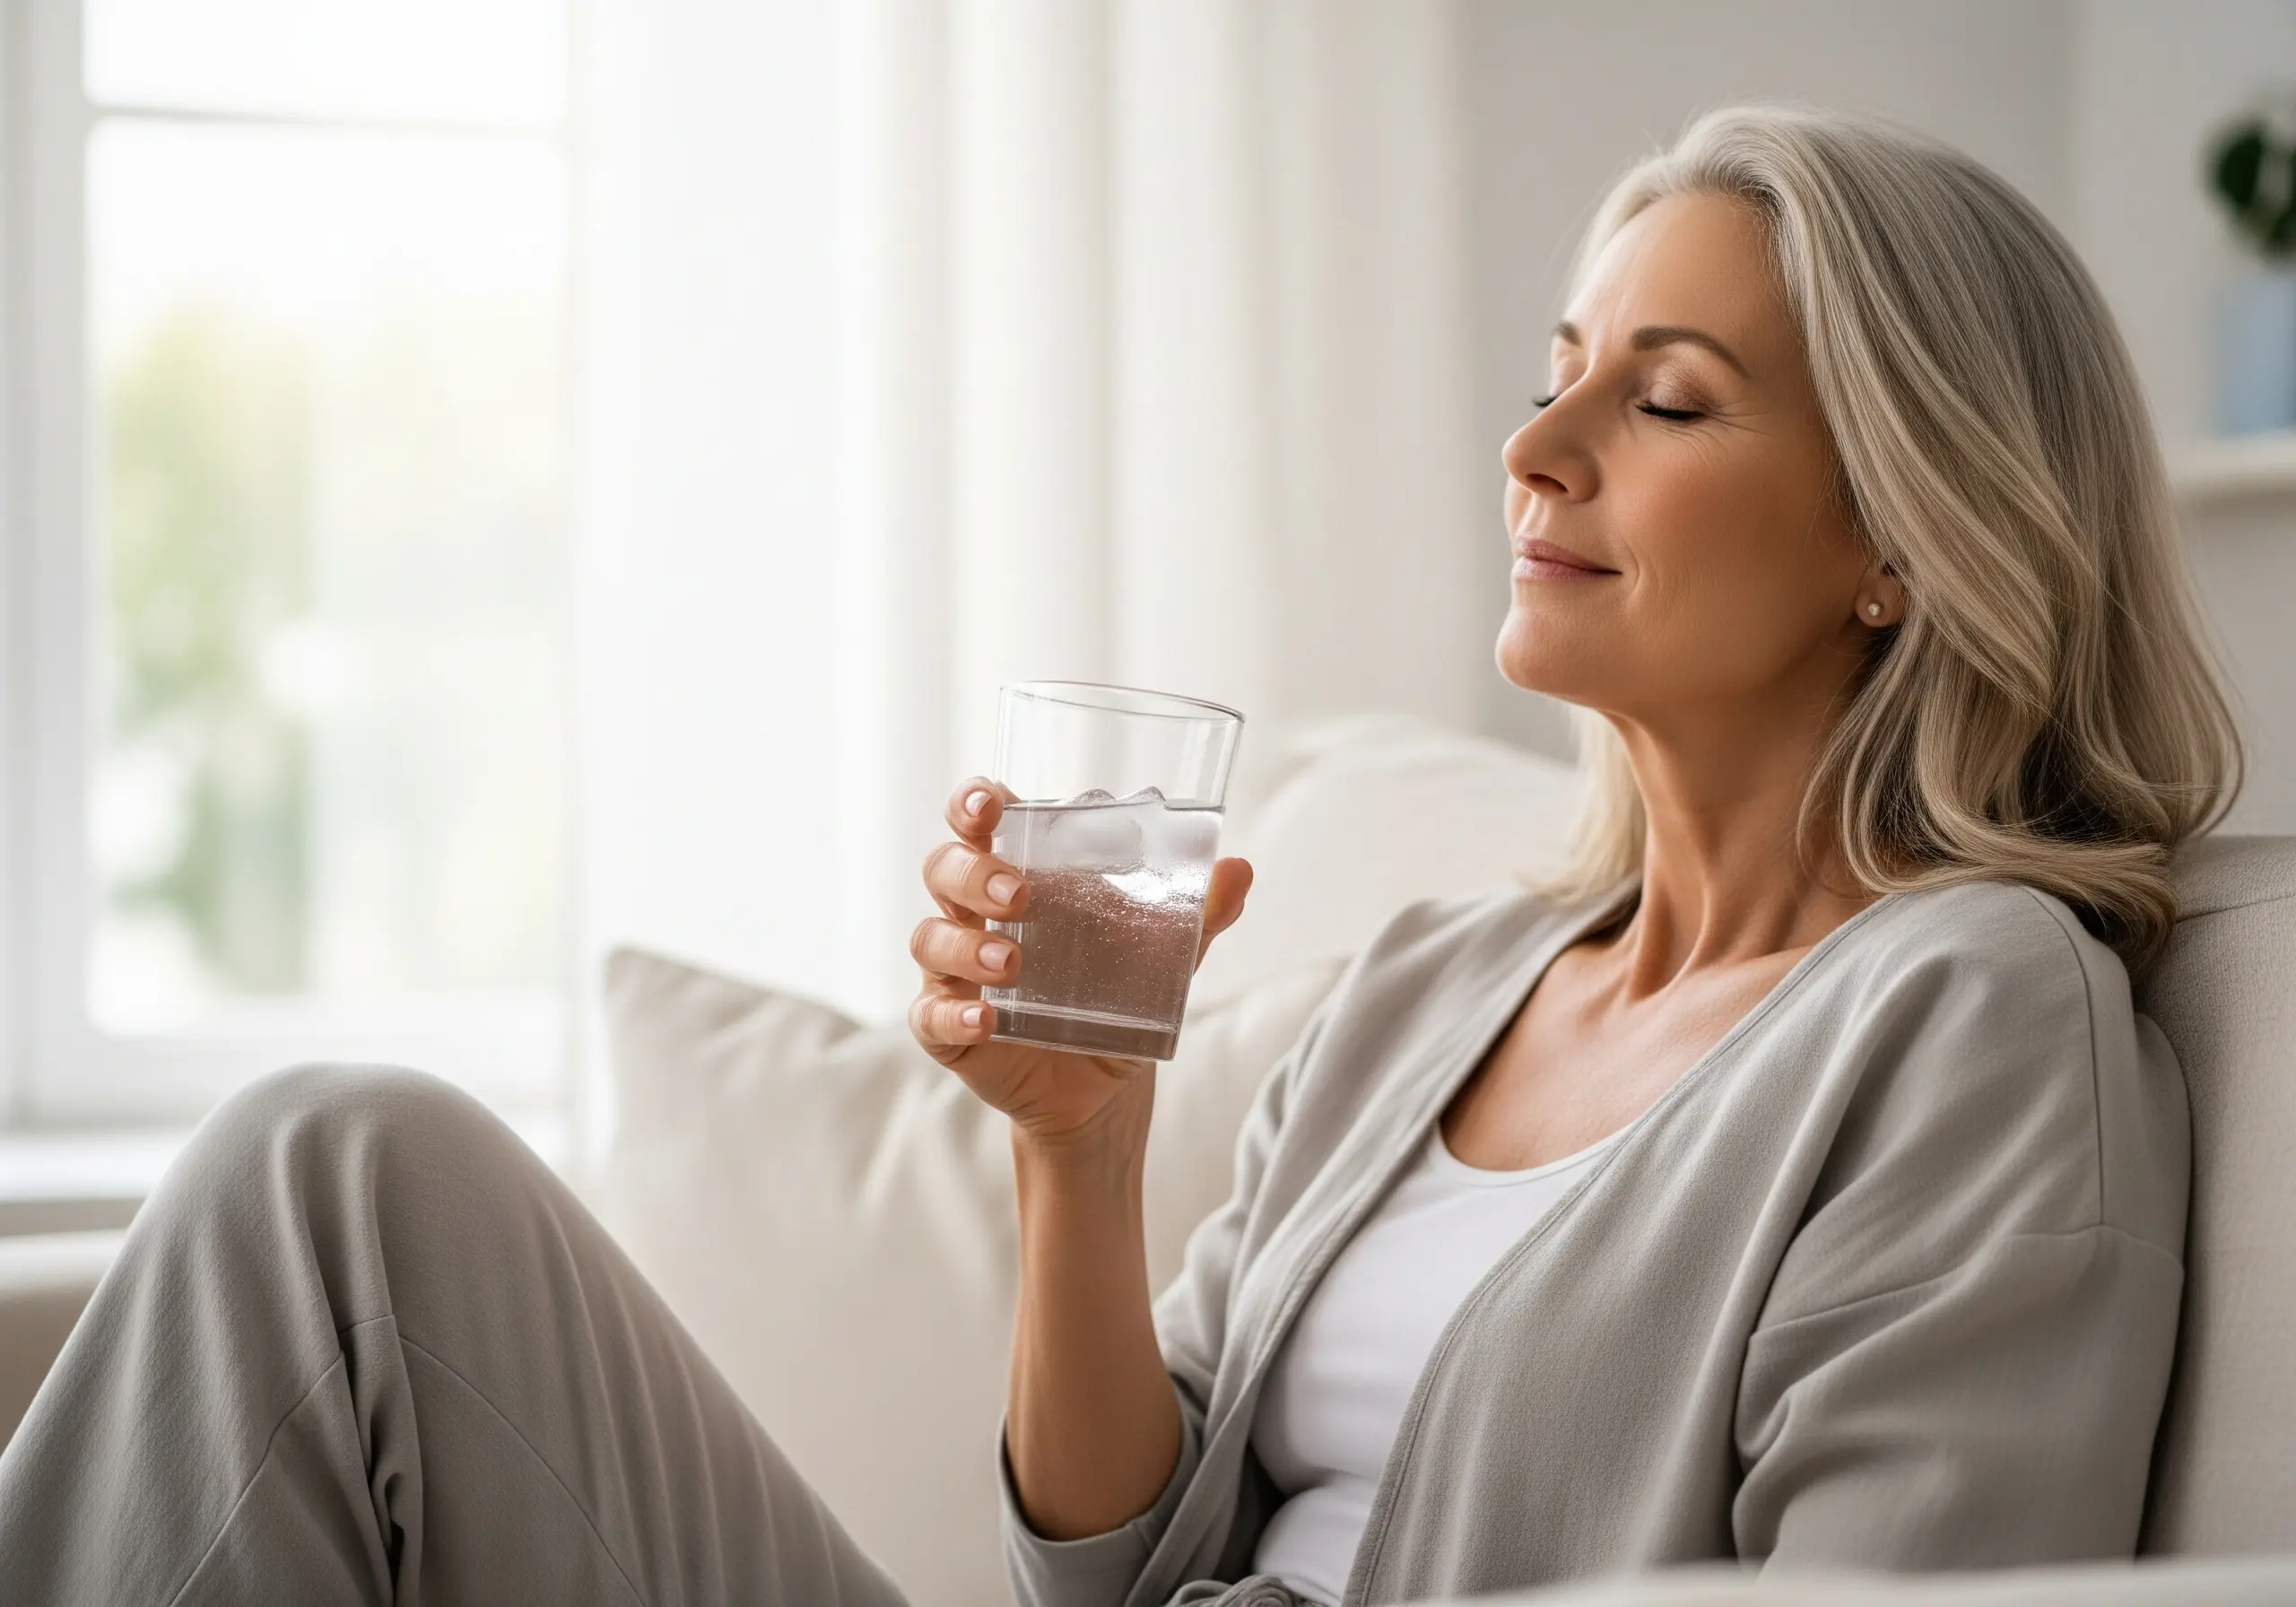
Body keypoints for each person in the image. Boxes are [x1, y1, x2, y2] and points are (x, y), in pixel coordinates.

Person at [0, 102, 2239, 1607]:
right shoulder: (1435, 985)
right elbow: (1107, 1556)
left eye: (1657, 401)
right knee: (336, 1173)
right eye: (1555, 371)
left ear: (1900, 539)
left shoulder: (1973, 1014)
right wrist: (1079, 1152)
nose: (1533, 443)